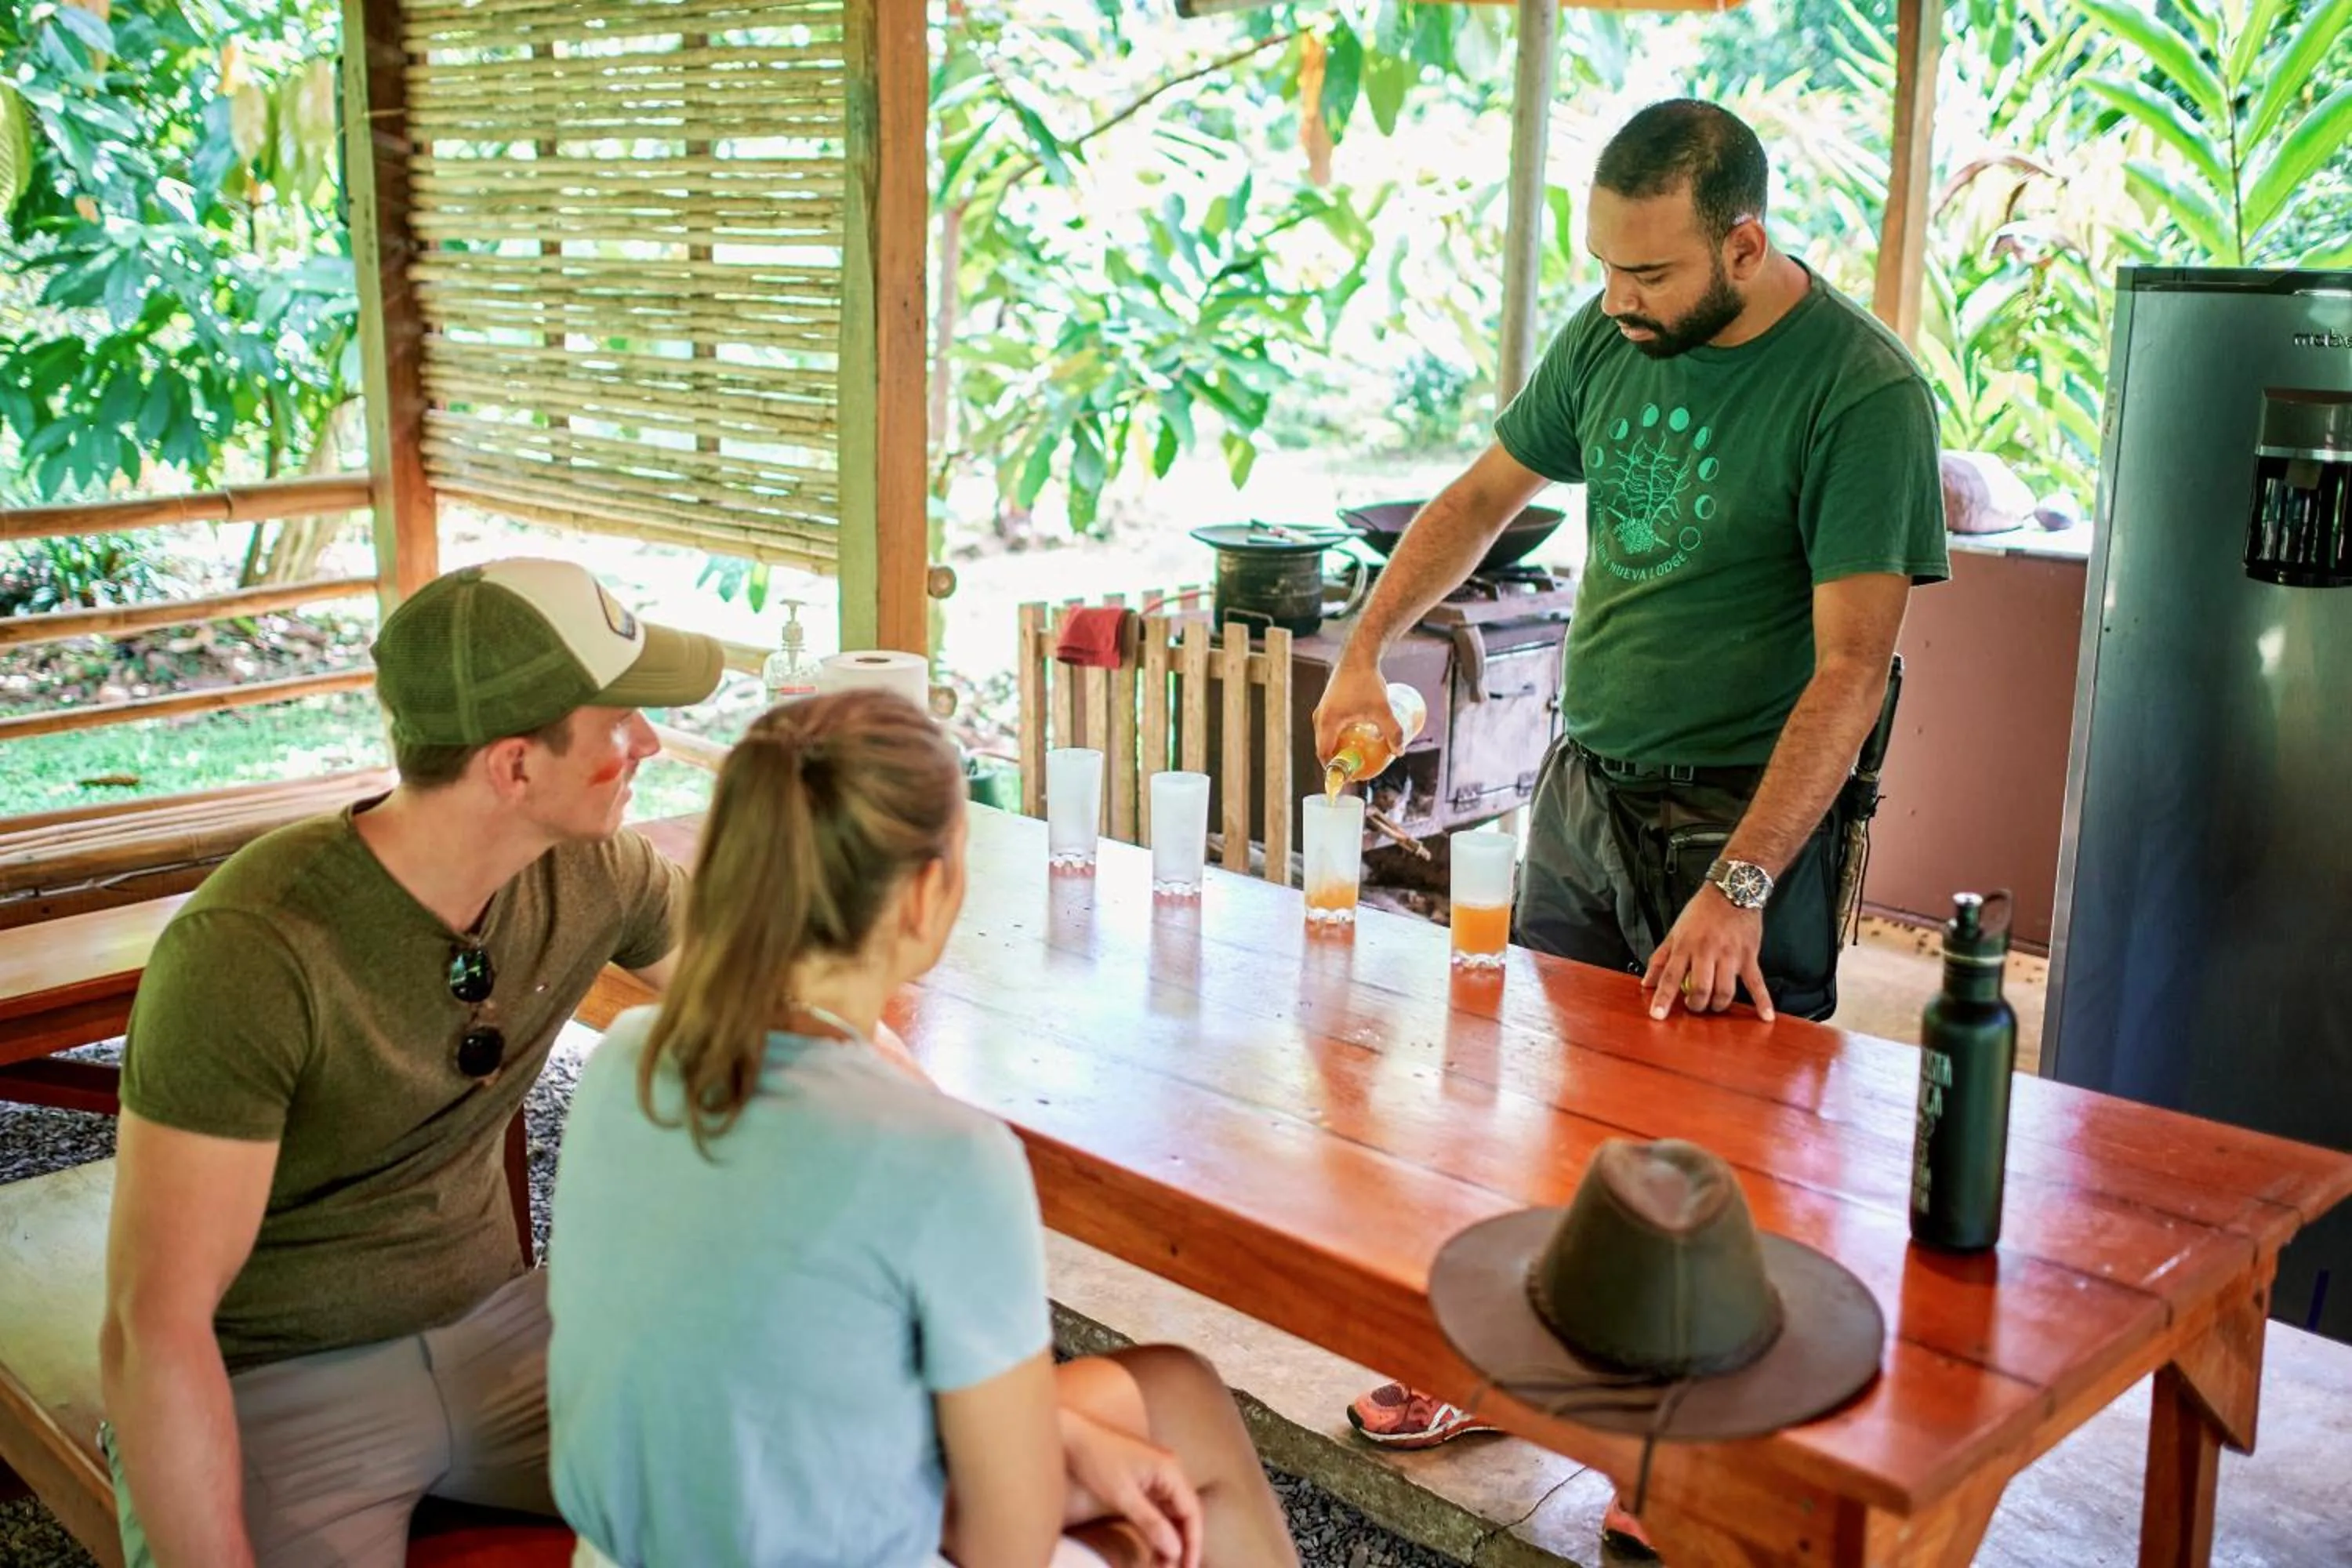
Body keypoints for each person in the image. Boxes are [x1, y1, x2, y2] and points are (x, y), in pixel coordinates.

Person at [1313, 100, 1948, 1557]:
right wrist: (1366, 647)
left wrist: (1740, 882)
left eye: (1650, 274)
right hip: (1589, 783)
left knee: (1733, 1152)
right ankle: (1520, 1371)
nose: (1616, 302)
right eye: (1603, 268)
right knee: (1553, 1103)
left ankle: (1696, 1467)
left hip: (1743, 814)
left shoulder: (1859, 395)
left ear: (1745, 242)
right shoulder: (1610, 340)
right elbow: (1481, 498)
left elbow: (1852, 670)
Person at [546, 690, 1301, 1568]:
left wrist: (1054, 1437)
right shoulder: (949, 1159)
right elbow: (1003, 1545)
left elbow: (773, 1357)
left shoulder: (628, 1055)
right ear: (926, 891)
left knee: (1176, 1388)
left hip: (627, 1547)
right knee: (1156, 1526)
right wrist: (1049, 1465)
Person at [99, 558, 724, 1567]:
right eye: (620, 722)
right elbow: (153, 1324)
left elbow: (775, 1004)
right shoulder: (250, 947)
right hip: (282, 1378)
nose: (649, 742)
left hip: (512, 1328)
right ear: (514, 766)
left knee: (804, 1469)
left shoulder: (596, 869)